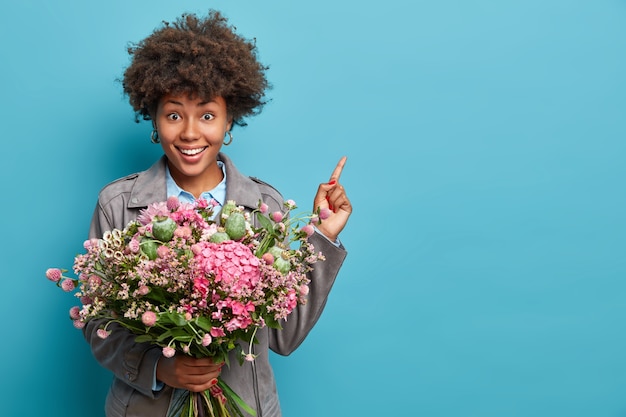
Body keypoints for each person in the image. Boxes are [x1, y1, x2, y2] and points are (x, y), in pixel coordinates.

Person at [83, 9, 351, 417]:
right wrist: (160, 367)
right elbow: (96, 321)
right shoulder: (117, 205)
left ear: (229, 122)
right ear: (154, 120)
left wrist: (322, 238)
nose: (190, 132)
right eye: (174, 114)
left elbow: (285, 336)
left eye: (207, 115)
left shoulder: (267, 208)